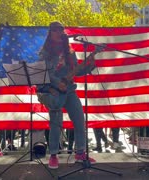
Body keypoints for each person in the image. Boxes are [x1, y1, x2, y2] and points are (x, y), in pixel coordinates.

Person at [36, 21, 96, 169]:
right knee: (56, 124)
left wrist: (89, 65)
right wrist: (57, 84)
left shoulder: (70, 52)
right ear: (50, 33)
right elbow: (45, 74)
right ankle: (54, 155)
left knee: (79, 120)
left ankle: (80, 152)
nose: (58, 33)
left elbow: (76, 71)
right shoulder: (44, 54)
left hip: (69, 90)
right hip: (54, 91)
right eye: (55, 31)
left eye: (61, 31)